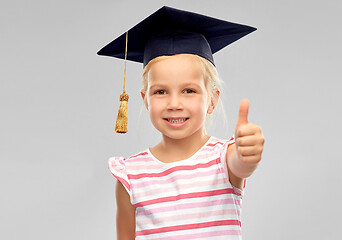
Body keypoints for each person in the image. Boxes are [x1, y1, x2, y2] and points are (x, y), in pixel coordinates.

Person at [98, 6, 265, 240]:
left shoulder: (223, 159)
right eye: (160, 92)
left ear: (212, 100)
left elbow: (241, 164)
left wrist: (247, 152)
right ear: (145, 100)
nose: (174, 103)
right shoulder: (131, 175)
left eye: (189, 90)